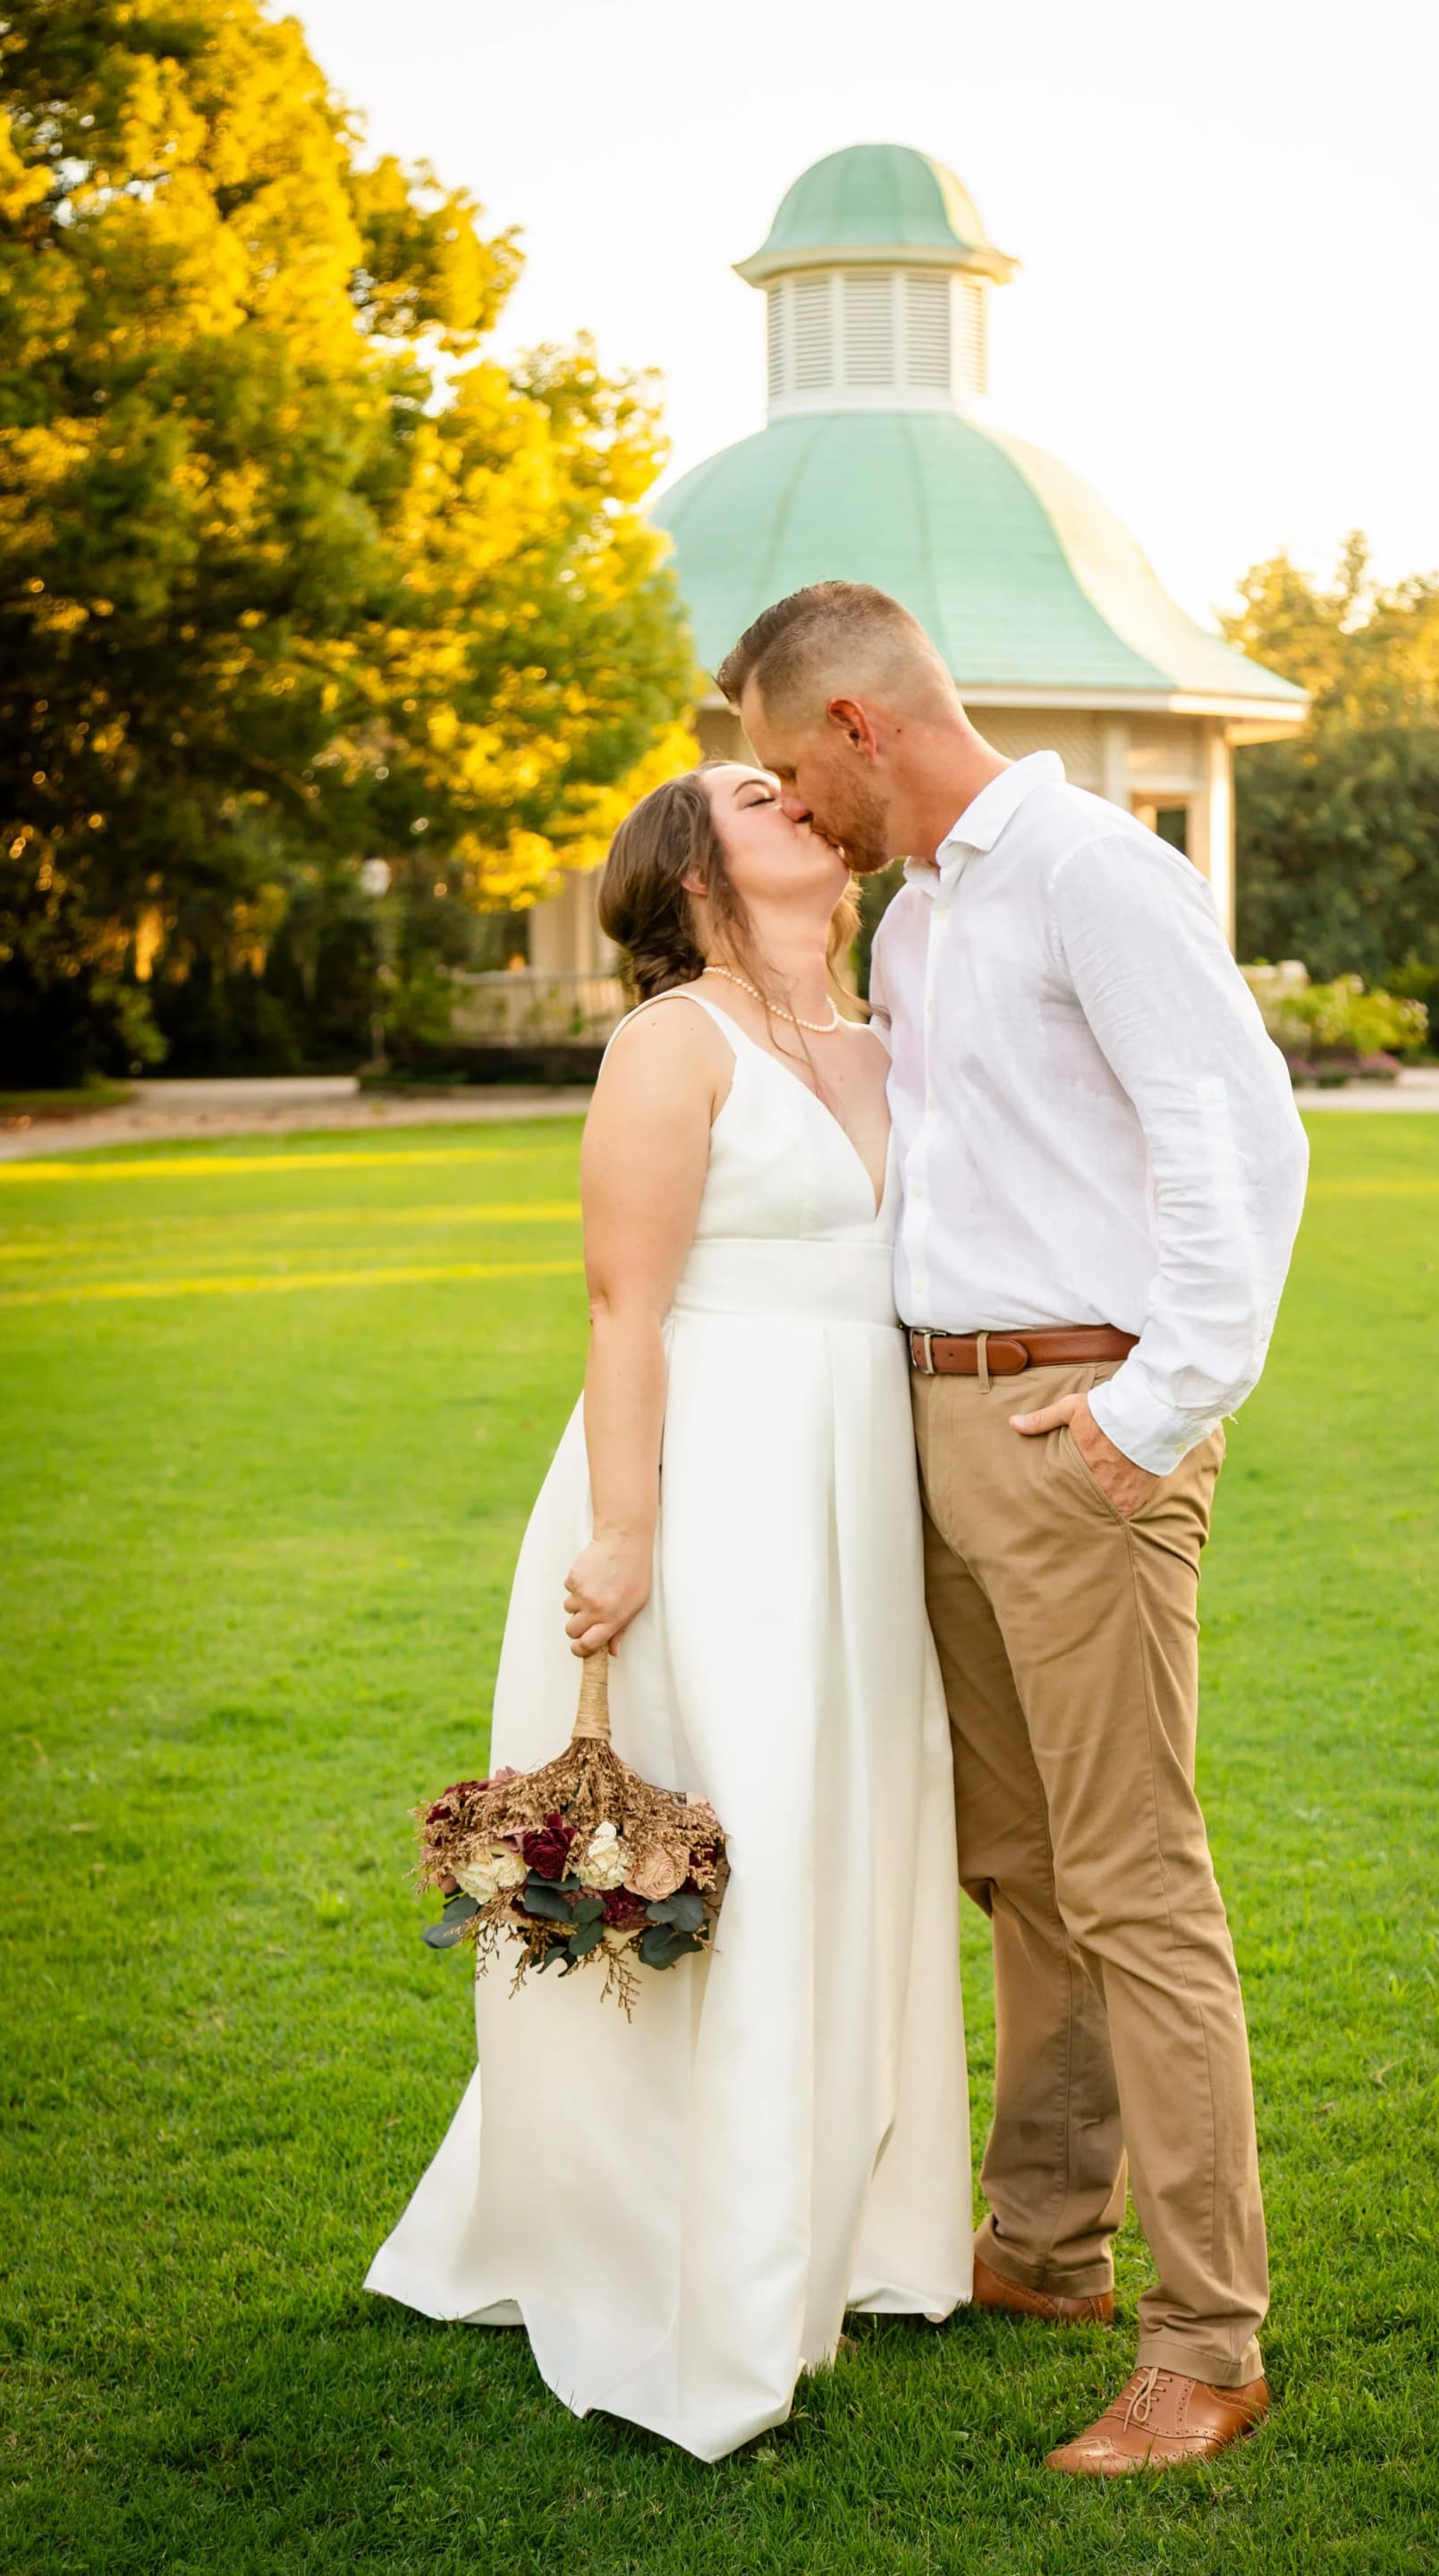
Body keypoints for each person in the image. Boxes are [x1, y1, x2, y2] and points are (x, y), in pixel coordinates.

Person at [721, 581, 1308, 2479]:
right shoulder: (921, 915)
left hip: (1079, 1426)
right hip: (938, 1420)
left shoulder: (1089, 873)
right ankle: (1046, 2250)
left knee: (1134, 1881)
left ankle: (1205, 2349)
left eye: (787, 766)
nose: (787, 806)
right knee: (1023, 1867)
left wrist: (1158, 1406)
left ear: (859, 724)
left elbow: (1238, 1139)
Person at [366, 760, 972, 2462]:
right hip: (712, 1489)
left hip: (861, 1497)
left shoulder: (881, 1038)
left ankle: (845, 2219)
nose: (808, 805)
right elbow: (622, 1305)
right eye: (764, 796)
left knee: (849, 1837)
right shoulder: (670, 1042)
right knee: (732, 1838)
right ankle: (663, 2243)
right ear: (698, 870)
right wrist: (624, 1532)